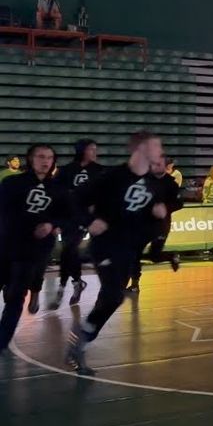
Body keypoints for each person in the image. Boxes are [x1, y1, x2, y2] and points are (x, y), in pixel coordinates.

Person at [66, 132, 174, 375]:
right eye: (157, 146)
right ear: (141, 149)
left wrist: (158, 228)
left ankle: (82, 337)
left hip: (128, 249)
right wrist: (89, 221)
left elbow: (153, 222)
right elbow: (75, 199)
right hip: (106, 245)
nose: (161, 151)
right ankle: (80, 340)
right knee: (114, 295)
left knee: (111, 298)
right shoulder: (112, 177)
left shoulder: (154, 184)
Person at [0, 144, 69, 348]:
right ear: (30, 159)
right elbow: (5, 211)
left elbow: (69, 215)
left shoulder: (58, 189)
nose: (45, 161)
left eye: (49, 157)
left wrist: (52, 224)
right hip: (6, 244)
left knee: (16, 296)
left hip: (34, 250)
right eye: (40, 156)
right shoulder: (12, 183)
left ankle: (2, 340)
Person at [51, 138, 104, 309]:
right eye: (91, 149)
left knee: (70, 248)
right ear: (82, 151)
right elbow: (56, 192)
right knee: (68, 250)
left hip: (85, 217)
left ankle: (64, 285)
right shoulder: (67, 170)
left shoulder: (99, 171)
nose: (95, 153)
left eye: (96, 149)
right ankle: (76, 281)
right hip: (67, 216)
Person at [129, 155, 184, 293]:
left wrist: (165, 208)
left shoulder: (171, 183)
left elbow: (179, 203)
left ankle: (171, 256)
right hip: (143, 224)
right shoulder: (144, 180)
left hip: (161, 224)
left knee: (155, 255)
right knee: (134, 253)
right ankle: (135, 283)